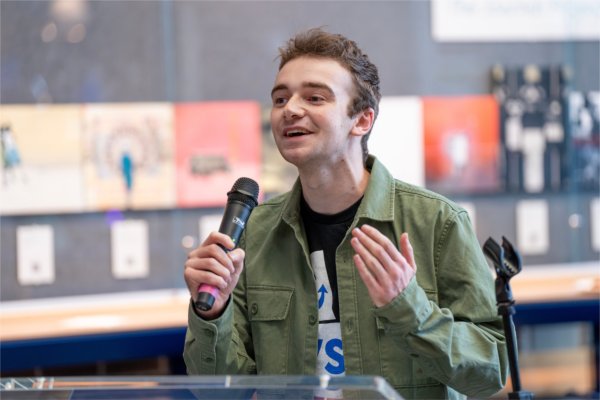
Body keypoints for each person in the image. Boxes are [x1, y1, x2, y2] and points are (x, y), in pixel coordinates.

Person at [183, 28, 508, 399]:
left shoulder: (438, 222)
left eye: (315, 97)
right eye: (280, 98)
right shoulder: (254, 233)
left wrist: (408, 309)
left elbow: (489, 373)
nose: (290, 109)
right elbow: (220, 393)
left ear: (362, 120)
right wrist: (212, 314)